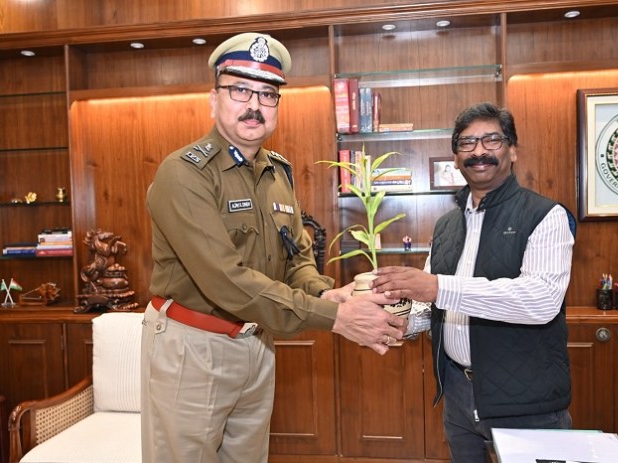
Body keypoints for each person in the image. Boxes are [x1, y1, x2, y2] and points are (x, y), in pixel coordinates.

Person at [142, 32, 406, 463]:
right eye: (240, 90)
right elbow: (226, 281)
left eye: (267, 94)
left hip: (257, 343)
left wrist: (326, 293)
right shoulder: (185, 174)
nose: (254, 105)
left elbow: (295, 259)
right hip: (193, 348)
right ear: (213, 100)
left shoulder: (277, 172)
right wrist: (336, 317)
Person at [371, 102, 576, 463]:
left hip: (525, 403)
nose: (479, 151)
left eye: (491, 140)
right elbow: (435, 304)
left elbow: (541, 300)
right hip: (458, 397)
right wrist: (406, 324)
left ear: (512, 150)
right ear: (456, 158)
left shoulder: (546, 215)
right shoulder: (446, 226)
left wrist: (438, 287)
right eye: (467, 143)